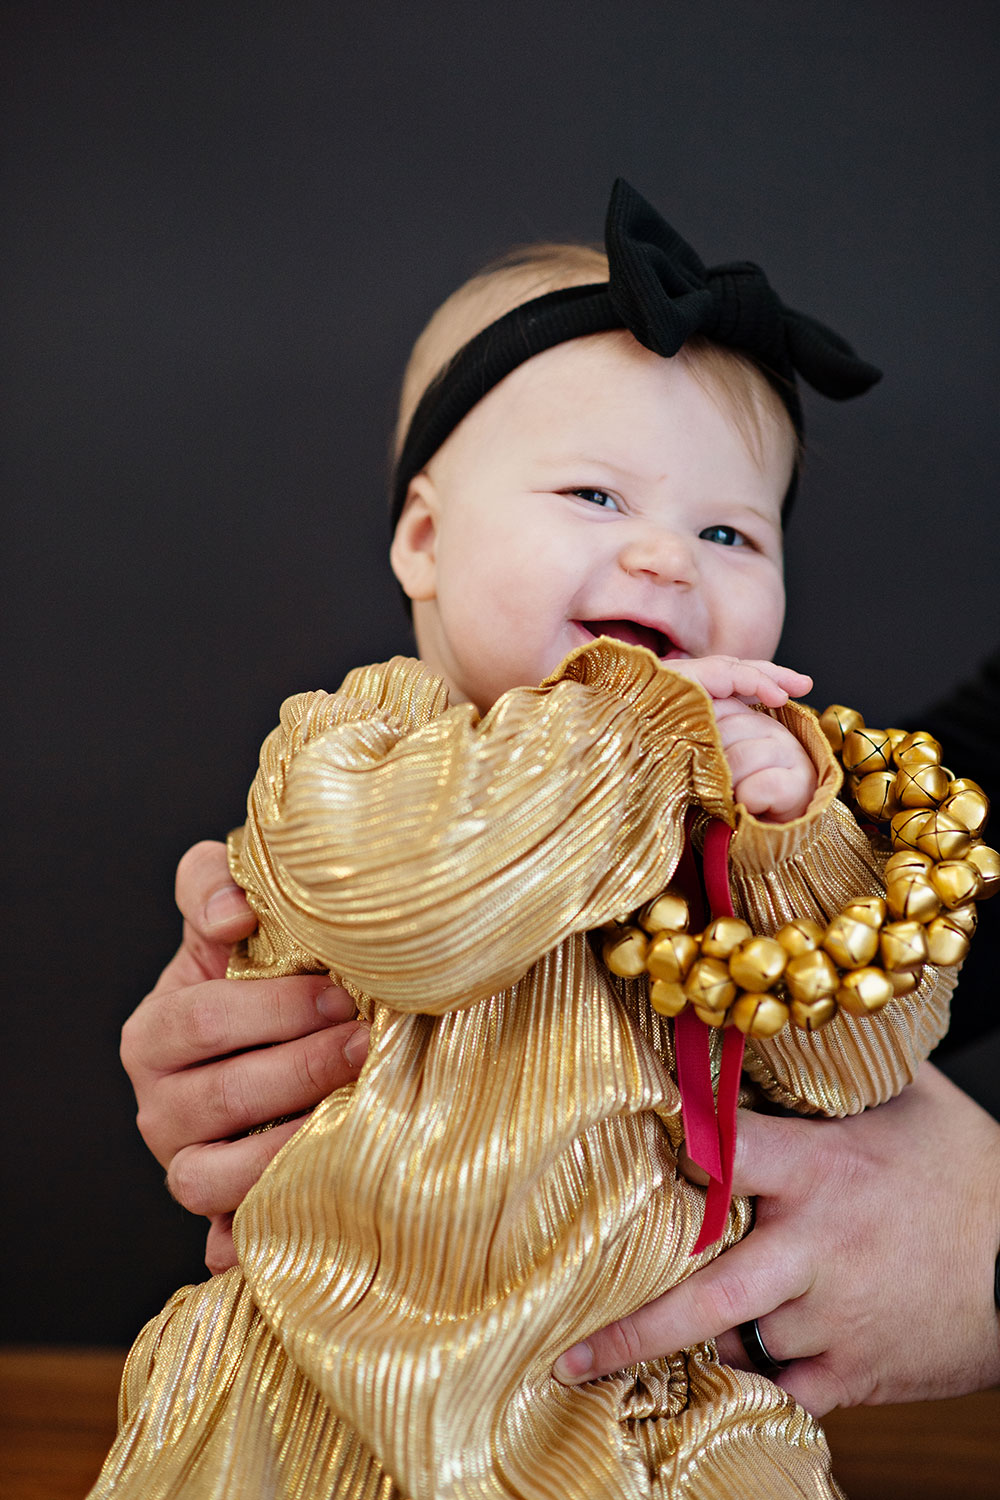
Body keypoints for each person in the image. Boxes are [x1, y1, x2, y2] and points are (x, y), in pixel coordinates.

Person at [99, 181, 981, 1498]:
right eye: (594, 494)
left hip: (654, 1398)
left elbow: (859, 1063)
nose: (668, 560)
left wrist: (793, 846)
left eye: (728, 532)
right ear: (424, 538)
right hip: (325, 1366)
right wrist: (628, 730)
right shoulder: (351, 747)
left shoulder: (742, 810)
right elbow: (423, 914)